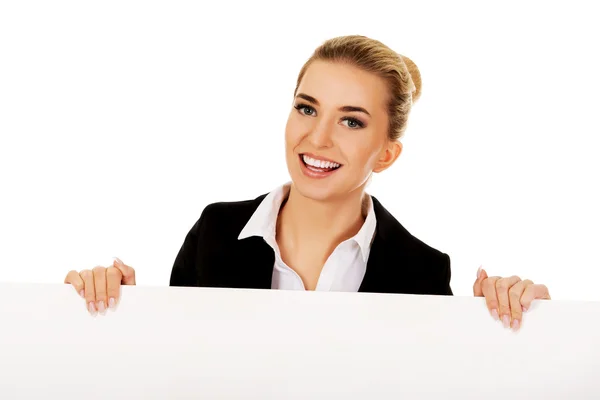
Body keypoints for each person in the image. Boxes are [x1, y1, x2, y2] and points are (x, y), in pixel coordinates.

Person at [64, 35, 550, 331]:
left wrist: (521, 328)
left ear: (387, 154)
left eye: (351, 121)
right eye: (307, 107)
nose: (316, 138)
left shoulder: (422, 272)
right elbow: (171, 370)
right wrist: (116, 315)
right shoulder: (214, 233)